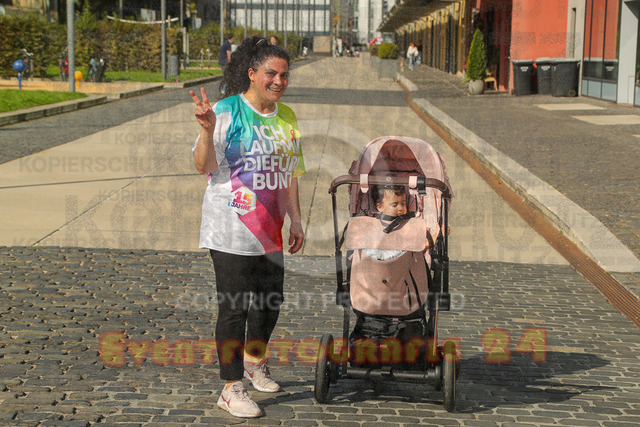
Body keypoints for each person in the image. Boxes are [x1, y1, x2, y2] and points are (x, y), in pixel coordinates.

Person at [189, 36, 305, 418]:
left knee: (271, 302)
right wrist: (206, 130)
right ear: (253, 74)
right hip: (230, 227)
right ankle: (230, 386)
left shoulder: (287, 117)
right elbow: (204, 166)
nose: (279, 81)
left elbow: (290, 175)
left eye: (284, 75)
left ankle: (255, 361)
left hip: (270, 229)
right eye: (271, 73)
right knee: (234, 308)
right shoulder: (227, 110)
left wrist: (297, 219)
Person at [364, 185, 408, 261]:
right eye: (394, 205)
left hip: (403, 261)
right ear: (380, 207)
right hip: (376, 261)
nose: (401, 208)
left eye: (403, 204)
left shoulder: (408, 224)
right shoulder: (373, 225)